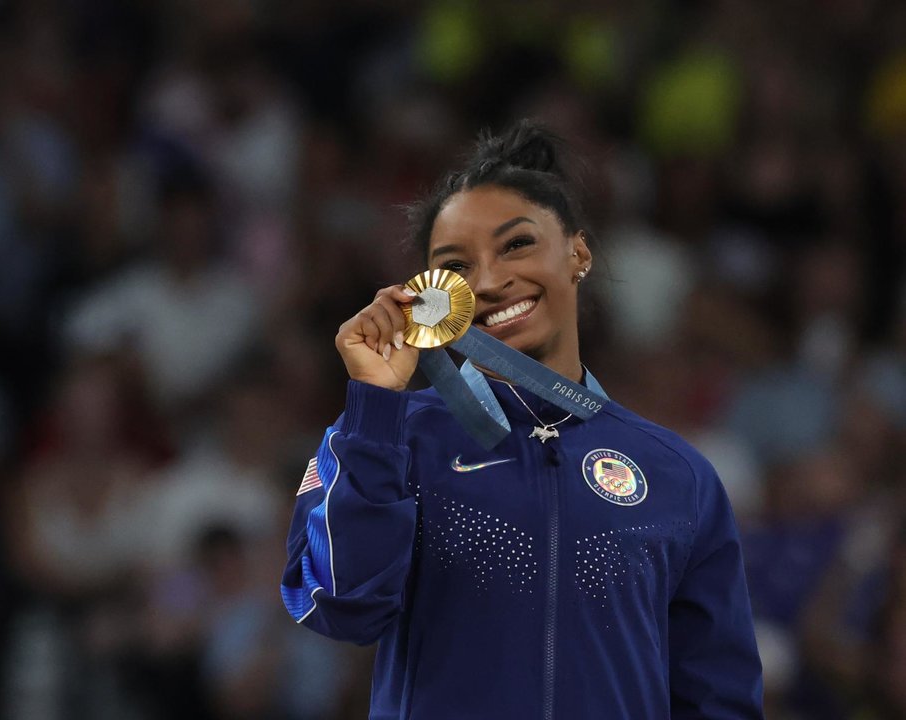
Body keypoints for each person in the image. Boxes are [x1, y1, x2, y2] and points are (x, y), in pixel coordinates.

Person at [280, 119, 764, 719]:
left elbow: (719, 699)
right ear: (432, 301)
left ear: (578, 254)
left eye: (517, 245)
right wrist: (377, 406)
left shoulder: (679, 476)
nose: (488, 281)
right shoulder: (381, 439)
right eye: (455, 268)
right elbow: (339, 604)